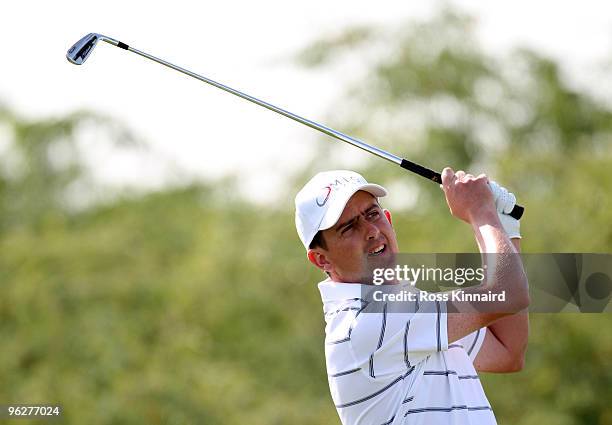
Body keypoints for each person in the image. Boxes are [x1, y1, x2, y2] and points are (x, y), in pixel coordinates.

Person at [294, 169, 529, 425]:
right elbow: (508, 295)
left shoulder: (412, 313)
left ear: (388, 219)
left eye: (372, 214)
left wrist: (504, 226)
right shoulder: (366, 323)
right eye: (348, 227)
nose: (371, 230)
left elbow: (508, 350)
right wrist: (482, 213)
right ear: (321, 259)